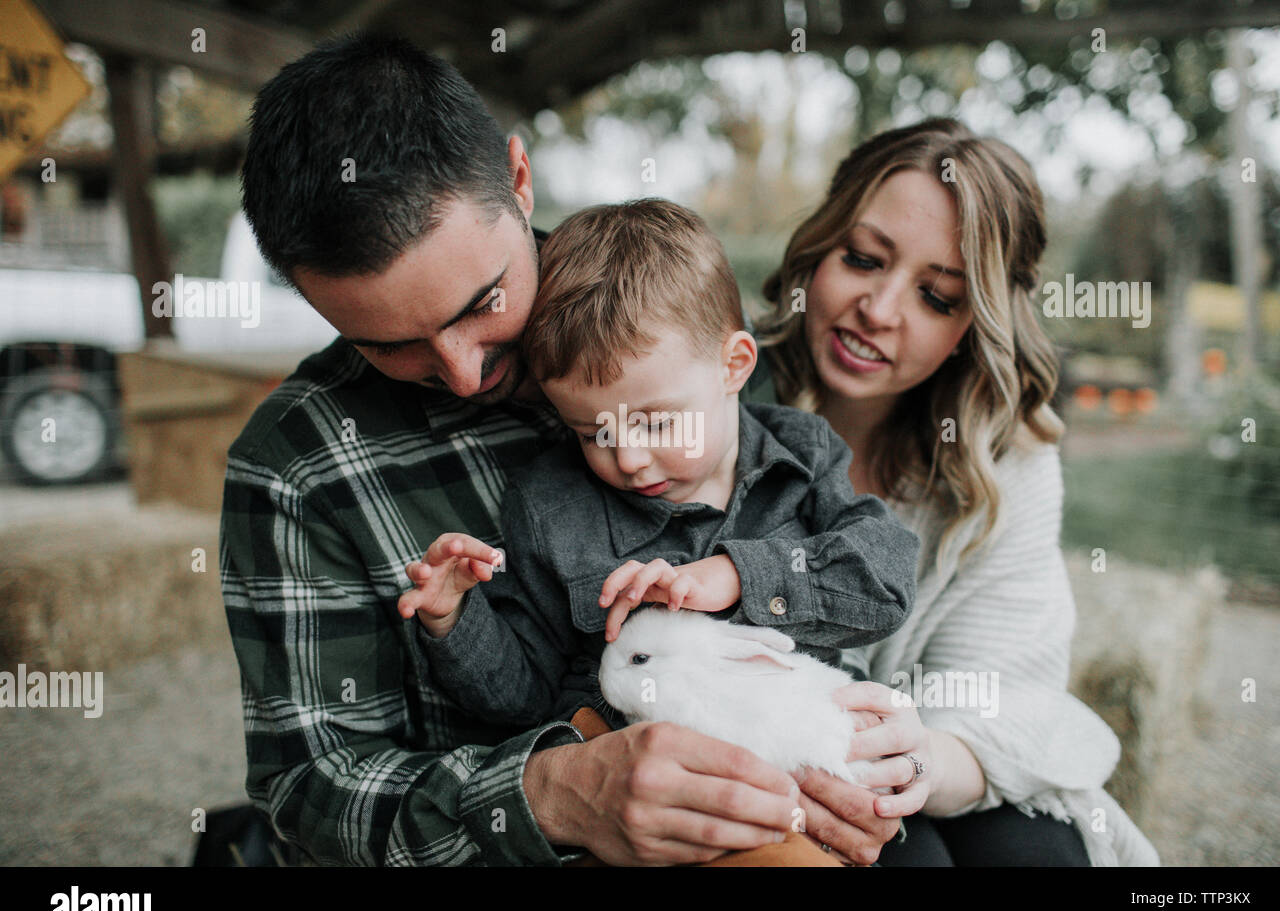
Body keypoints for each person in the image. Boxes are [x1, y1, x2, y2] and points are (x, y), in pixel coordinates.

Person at [222, 34, 905, 867]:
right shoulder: (300, 463)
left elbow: (858, 558)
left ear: (518, 177)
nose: (464, 374)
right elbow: (312, 788)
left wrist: (869, 749)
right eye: (389, 344)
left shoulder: (668, 315)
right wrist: (551, 795)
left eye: (484, 302)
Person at [756, 118, 1160, 865]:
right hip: (759, 754)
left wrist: (920, 763)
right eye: (862, 259)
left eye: (937, 296)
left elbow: (997, 693)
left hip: (922, 759)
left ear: (976, 324)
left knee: (1040, 853)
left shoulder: (1004, 458)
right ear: (818, 245)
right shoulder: (722, 393)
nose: (879, 309)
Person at [394, 199, 919, 732]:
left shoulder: (803, 454)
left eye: (656, 423)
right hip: (650, 791)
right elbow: (522, 700)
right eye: (593, 432)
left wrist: (740, 576)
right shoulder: (549, 507)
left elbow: (887, 582)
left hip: (799, 755)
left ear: (733, 365)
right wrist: (452, 619)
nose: (628, 459)